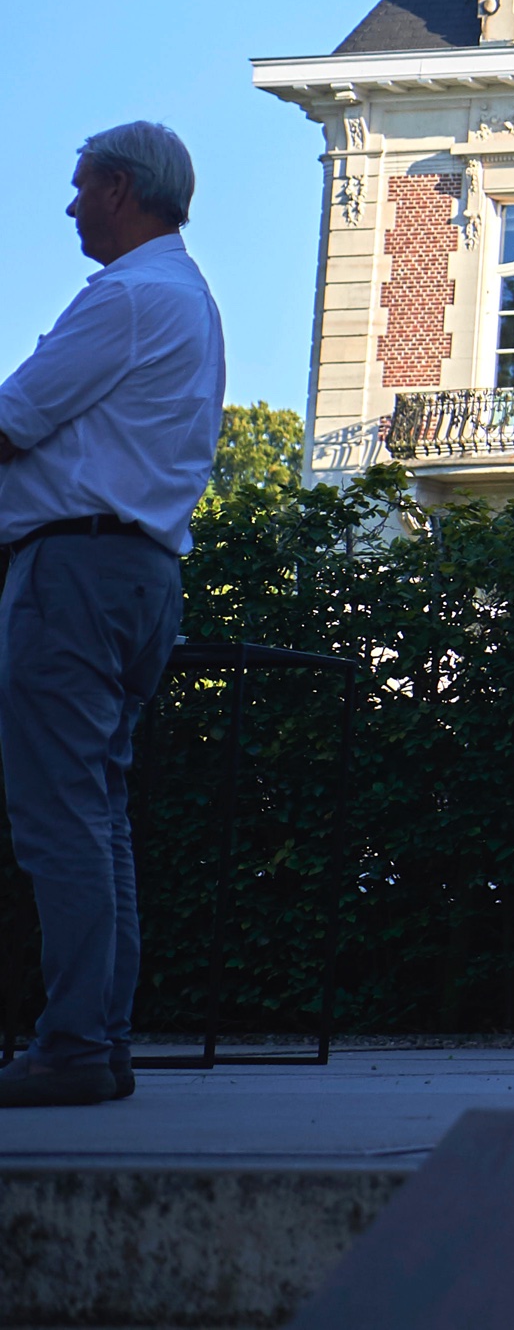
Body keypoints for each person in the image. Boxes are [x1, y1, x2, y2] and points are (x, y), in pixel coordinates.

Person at [0, 124, 225, 1107]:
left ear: (122, 188)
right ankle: (100, 1038)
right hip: (140, 572)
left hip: (76, 572)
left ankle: (76, 1045)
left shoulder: (127, 297)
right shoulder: (187, 297)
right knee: (96, 811)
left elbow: (11, 421)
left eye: (83, 185)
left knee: (60, 814)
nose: (71, 204)